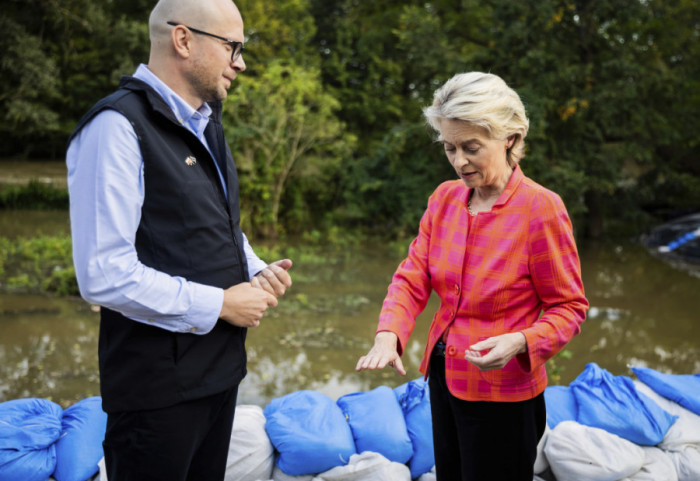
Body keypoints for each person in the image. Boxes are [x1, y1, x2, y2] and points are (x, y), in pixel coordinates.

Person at [66, 0, 292, 479]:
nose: (241, 63)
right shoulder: (117, 127)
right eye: (233, 47)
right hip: (157, 394)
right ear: (184, 39)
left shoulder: (207, 121)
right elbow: (102, 274)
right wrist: (222, 304)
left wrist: (253, 266)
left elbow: (212, 220)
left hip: (219, 375)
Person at [356, 72, 588, 481]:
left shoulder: (541, 209)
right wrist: (388, 334)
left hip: (504, 394)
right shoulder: (444, 199)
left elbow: (568, 307)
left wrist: (521, 340)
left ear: (511, 139)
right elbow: (412, 277)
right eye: (449, 148)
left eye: (471, 148)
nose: (459, 161)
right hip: (445, 381)